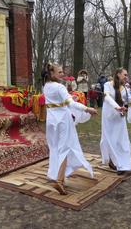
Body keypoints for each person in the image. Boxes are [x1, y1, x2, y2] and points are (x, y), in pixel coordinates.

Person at [42, 63, 97, 195]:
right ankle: (59, 180)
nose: (62, 74)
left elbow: (59, 101)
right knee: (64, 148)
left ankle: (54, 174)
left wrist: (70, 97)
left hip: (51, 120)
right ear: (52, 74)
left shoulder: (46, 86)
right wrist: (87, 108)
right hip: (62, 120)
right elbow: (70, 104)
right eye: (60, 72)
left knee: (55, 147)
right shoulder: (59, 86)